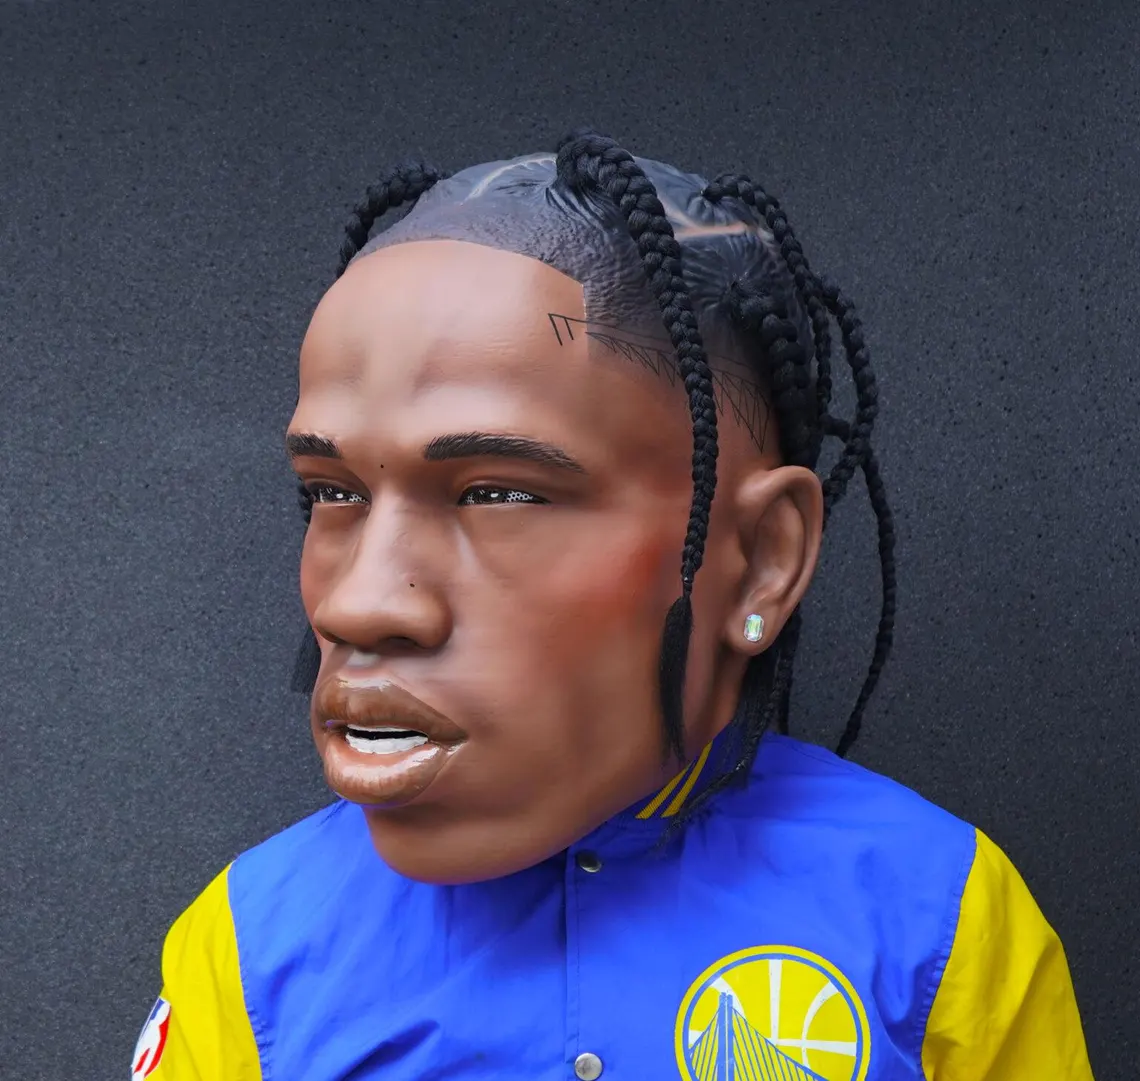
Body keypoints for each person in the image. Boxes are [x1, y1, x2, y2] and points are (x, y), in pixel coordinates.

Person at [131, 129, 1094, 1080]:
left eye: (497, 493)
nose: (359, 602)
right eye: (333, 492)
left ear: (762, 558)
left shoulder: (935, 916)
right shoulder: (252, 947)